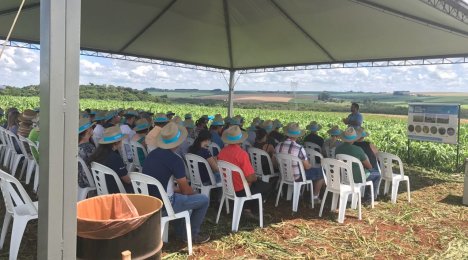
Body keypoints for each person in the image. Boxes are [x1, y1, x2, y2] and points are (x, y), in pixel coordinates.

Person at [143, 122, 210, 244]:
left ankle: (180, 232)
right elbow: (185, 190)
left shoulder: (151, 155)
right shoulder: (175, 160)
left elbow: (165, 184)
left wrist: (179, 191)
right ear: (179, 142)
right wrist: (193, 192)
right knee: (203, 200)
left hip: (149, 201)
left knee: (181, 198)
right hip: (164, 205)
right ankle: (192, 234)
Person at [217, 125, 272, 218]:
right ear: (241, 139)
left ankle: (247, 209)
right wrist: (255, 178)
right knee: (266, 186)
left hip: (227, 188)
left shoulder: (222, 152)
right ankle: (256, 210)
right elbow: (250, 177)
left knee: (256, 185)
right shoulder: (242, 154)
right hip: (241, 190)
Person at [275, 123, 325, 203]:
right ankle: (315, 197)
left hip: (284, 175)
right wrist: (311, 165)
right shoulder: (299, 148)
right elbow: (307, 167)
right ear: (297, 135)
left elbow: (275, 162)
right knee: (322, 172)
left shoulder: (278, 146)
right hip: (298, 177)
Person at [335, 127, 381, 205]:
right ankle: (369, 199)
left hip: (343, 176)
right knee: (377, 175)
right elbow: (369, 166)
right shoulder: (358, 149)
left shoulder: (338, 149)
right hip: (358, 177)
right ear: (354, 138)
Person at [89, 126, 134, 193]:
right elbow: (127, 180)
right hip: (116, 191)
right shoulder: (115, 158)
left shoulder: (97, 154)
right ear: (116, 142)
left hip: (102, 190)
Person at [78, 118, 95, 188]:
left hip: (78, 180)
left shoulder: (76, 146)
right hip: (88, 181)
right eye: (92, 127)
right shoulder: (89, 148)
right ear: (88, 130)